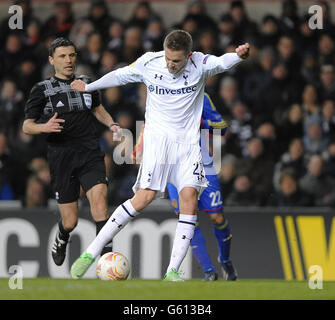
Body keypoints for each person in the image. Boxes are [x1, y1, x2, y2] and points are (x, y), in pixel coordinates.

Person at [70, 29, 249, 281]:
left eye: (176, 60)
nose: (170, 64)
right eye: (168, 58)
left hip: (187, 146)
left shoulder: (200, 63)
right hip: (158, 141)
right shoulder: (149, 62)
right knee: (144, 198)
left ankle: (172, 272)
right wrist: (89, 86)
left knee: (189, 197)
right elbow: (121, 76)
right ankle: (91, 252)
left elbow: (222, 61)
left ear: (188, 55)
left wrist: (239, 56)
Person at [22, 38, 120, 267]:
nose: (68, 60)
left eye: (72, 55)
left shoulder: (86, 82)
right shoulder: (41, 90)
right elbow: (27, 126)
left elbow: (97, 108)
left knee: (100, 203)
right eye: (62, 56)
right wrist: (43, 127)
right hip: (61, 157)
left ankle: (107, 262)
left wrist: (112, 124)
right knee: (70, 220)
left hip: (90, 152)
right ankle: (62, 236)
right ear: (51, 60)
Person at [132, 93, 237, 281]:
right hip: (174, 169)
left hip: (203, 166)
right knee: (187, 217)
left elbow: (222, 127)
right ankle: (208, 270)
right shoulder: (161, 92)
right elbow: (150, 123)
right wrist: (139, 147)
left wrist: (202, 124)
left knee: (217, 217)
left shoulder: (201, 95)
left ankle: (225, 259)